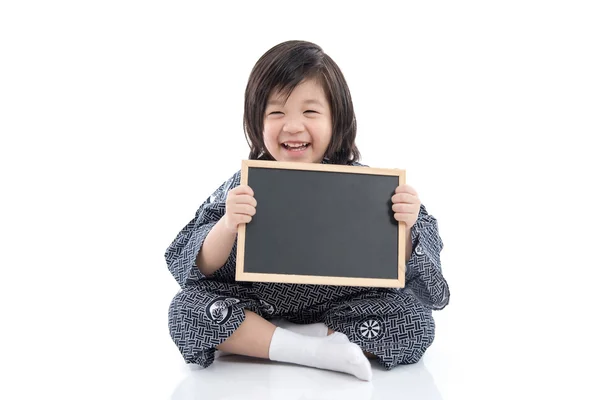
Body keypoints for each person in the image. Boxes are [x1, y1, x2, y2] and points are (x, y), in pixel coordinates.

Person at [165, 40, 450, 381]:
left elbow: (428, 288)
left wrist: (406, 226)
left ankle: (291, 341)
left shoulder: (372, 188)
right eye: (276, 112)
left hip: (343, 310)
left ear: (336, 120)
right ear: (257, 122)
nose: (293, 126)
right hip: (260, 306)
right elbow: (194, 266)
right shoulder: (243, 184)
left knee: (414, 320)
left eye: (310, 112)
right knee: (184, 310)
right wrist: (227, 224)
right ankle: (308, 350)